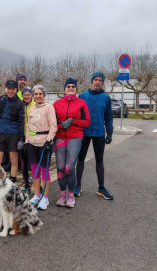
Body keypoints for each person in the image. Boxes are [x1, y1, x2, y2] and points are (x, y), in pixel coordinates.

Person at [76, 72, 114, 199]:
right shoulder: (83, 96)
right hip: (84, 132)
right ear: (92, 81)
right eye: (95, 80)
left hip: (98, 132)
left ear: (102, 82)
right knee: (80, 158)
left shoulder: (105, 97)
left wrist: (109, 132)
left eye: (100, 80)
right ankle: (78, 185)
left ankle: (101, 188)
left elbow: (108, 116)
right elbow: (78, 115)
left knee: (99, 160)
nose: (97, 82)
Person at [53, 78, 90, 208]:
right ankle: (62, 193)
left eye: (73, 86)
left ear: (76, 88)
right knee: (60, 167)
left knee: (69, 167)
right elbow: (52, 122)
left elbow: (86, 122)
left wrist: (73, 121)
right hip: (59, 138)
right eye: (68, 86)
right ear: (64, 88)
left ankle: (71, 194)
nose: (70, 88)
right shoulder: (57, 103)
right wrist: (61, 124)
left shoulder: (81, 103)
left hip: (75, 137)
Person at [26, 85, 58, 210]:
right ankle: (37, 195)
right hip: (32, 143)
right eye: (36, 94)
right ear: (33, 96)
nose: (38, 96)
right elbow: (29, 127)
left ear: (44, 95)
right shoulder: (32, 109)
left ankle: (45, 198)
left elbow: (53, 126)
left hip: (44, 143)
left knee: (44, 172)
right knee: (34, 171)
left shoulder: (49, 107)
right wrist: (27, 142)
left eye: (40, 94)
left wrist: (49, 140)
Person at [0, 80, 25, 183]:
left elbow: (21, 121)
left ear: (16, 90)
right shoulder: (0, 100)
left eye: (13, 89)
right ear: (5, 89)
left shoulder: (19, 103)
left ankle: (12, 179)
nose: (11, 91)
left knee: (13, 159)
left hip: (13, 133)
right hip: (1, 132)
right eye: (9, 88)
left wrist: (21, 138)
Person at [20, 87, 35, 193]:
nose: (26, 96)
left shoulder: (35, 105)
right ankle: (26, 184)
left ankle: (36, 183)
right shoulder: (19, 106)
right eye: (24, 94)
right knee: (23, 163)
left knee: (34, 162)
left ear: (32, 95)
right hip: (22, 137)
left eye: (28, 94)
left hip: (34, 137)